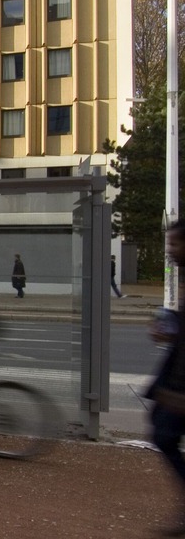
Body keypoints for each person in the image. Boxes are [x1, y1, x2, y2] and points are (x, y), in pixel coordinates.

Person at [149, 220, 185, 536]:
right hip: (174, 385)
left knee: (164, 434)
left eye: (175, 244)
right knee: (162, 433)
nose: (170, 251)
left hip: (180, 388)